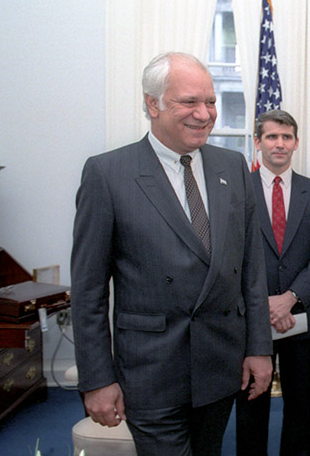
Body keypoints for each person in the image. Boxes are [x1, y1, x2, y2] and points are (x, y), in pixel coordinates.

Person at [70, 51, 273, 456]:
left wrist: (259, 348)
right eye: (189, 102)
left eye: (211, 101)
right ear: (153, 104)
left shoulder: (233, 167)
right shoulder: (108, 174)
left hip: (220, 364)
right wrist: (96, 378)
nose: (204, 114)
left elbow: (251, 270)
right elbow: (89, 289)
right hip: (151, 371)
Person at [236, 109, 310, 456]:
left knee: (299, 408)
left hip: (300, 318)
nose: (279, 144)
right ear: (257, 142)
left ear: (296, 143)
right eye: (271, 137)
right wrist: (264, 303)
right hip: (251, 321)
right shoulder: (238, 190)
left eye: (286, 137)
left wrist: (289, 298)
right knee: (251, 405)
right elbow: (230, 256)